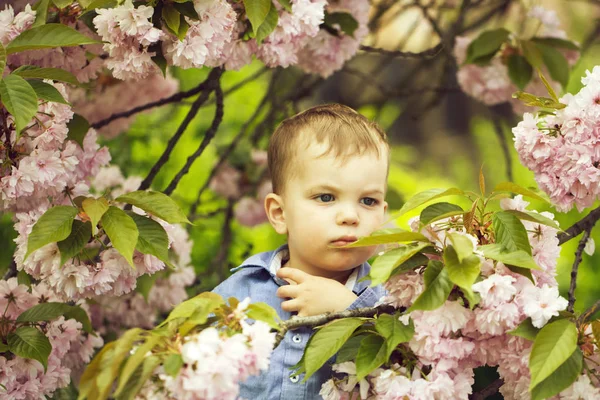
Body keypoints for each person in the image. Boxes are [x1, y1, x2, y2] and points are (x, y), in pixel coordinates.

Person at [213, 103, 390, 399]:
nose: (350, 216)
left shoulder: (390, 300)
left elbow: (409, 375)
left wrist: (352, 313)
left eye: (368, 201)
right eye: (326, 197)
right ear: (280, 213)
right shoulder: (239, 295)